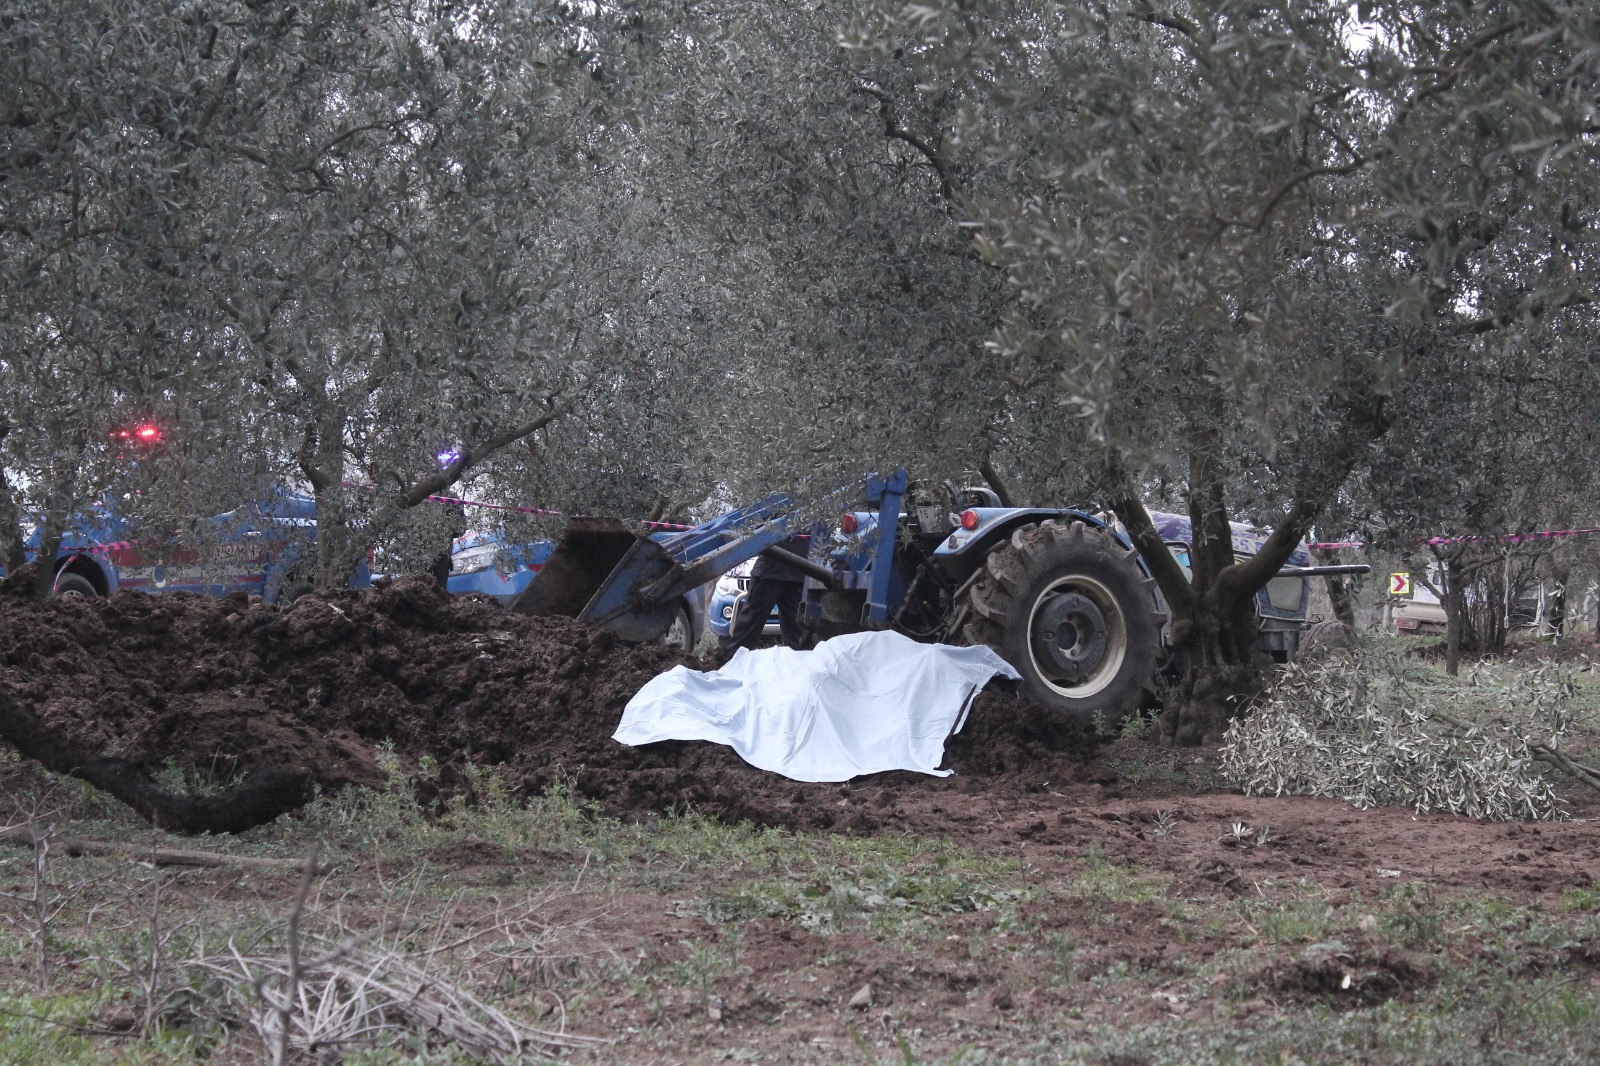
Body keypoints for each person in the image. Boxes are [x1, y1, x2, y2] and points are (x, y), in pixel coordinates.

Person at [721, 532, 810, 650]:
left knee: (798, 640)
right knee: (745, 636)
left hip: (791, 574)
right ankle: (733, 660)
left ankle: (734, 658)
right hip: (775, 572)